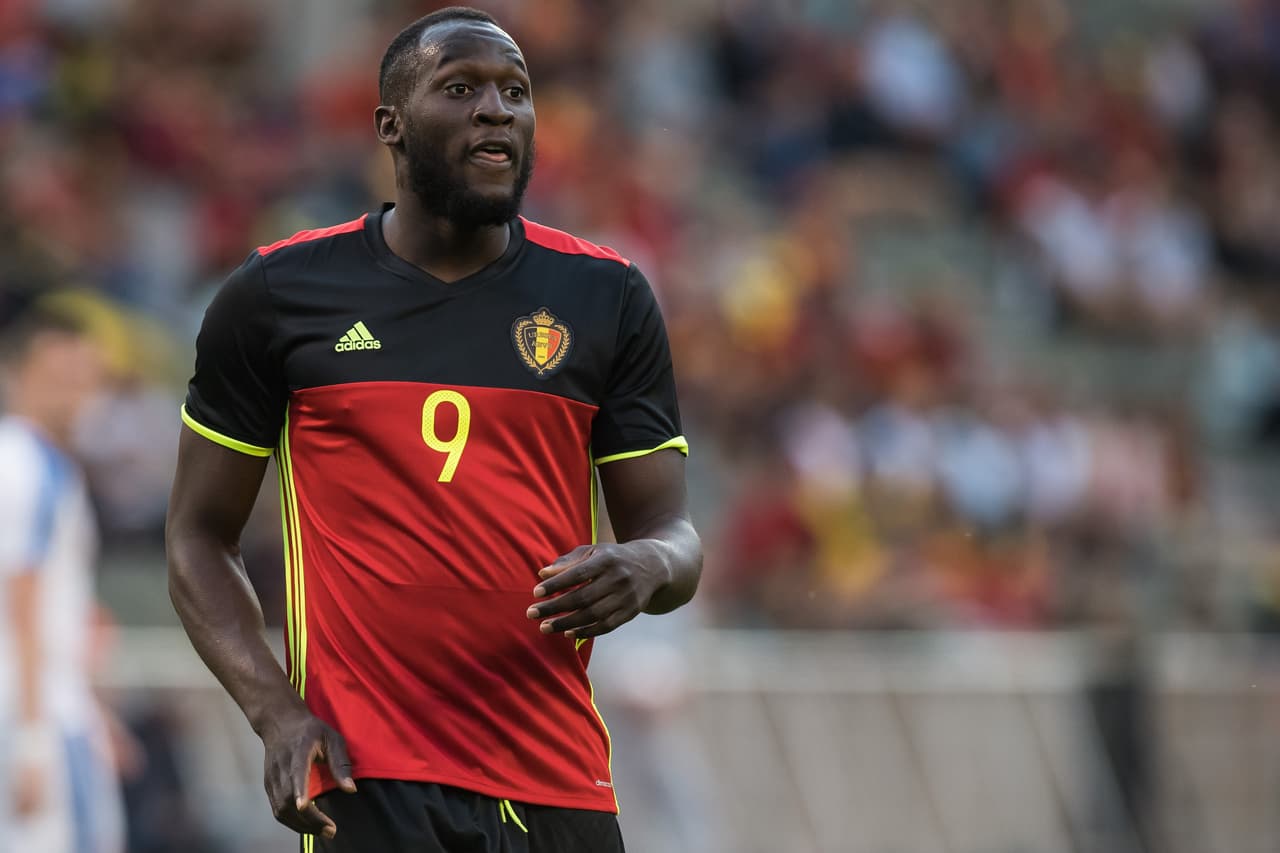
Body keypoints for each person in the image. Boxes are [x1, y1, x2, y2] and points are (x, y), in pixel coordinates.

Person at [164, 7, 702, 852]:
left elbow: (674, 536)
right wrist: (275, 715)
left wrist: (648, 563)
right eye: (461, 88)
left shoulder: (608, 297)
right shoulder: (280, 295)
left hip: (558, 778)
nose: (498, 109)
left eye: (516, 92)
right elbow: (197, 535)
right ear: (390, 126)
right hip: (370, 780)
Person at [0, 300, 124, 853]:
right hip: (35, 712)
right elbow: (19, 598)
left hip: (52, 703)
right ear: (18, 375)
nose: (76, 395)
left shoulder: (49, 465)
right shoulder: (22, 464)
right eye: (60, 379)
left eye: (85, 380)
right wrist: (30, 741)